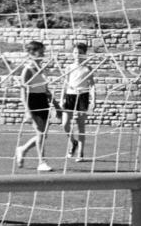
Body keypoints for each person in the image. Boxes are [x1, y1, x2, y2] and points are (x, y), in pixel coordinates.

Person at [13, 40, 61, 172]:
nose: (43, 54)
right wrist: (27, 111)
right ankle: (42, 162)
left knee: (42, 134)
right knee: (40, 133)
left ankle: (22, 149)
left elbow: (45, 89)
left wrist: (57, 105)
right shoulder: (27, 70)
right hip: (32, 102)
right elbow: (23, 93)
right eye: (41, 52)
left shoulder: (40, 69)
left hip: (43, 101)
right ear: (32, 53)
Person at [60, 42, 96, 161]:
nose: (77, 55)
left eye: (80, 53)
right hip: (70, 96)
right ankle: (73, 143)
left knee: (81, 126)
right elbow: (65, 84)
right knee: (65, 124)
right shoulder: (69, 67)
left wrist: (93, 100)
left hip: (82, 97)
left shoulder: (87, 68)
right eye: (75, 52)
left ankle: (80, 153)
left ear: (84, 54)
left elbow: (92, 85)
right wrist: (61, 99)